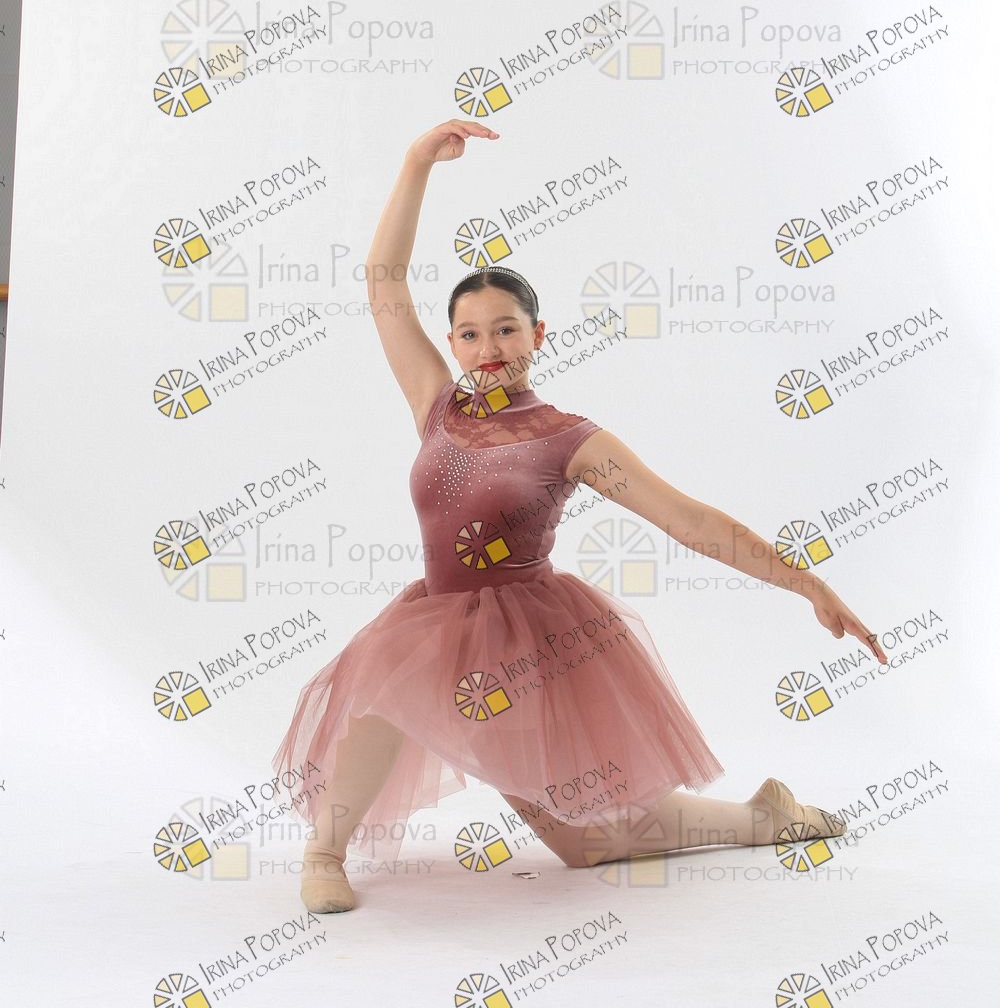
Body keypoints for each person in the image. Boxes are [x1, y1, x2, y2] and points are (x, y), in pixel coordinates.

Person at [271, 119, 887, 914]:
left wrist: (804, 582)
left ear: (537, 334)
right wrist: (417, 162)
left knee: (587, 844)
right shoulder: (436, 405)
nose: (488, 347)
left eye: (505, 329)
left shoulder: (571, 439)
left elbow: (687, 520)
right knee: (382, 676)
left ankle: (763, 817)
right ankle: (324, 853)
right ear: (452, 343)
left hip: (527, 645)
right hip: (435, 624)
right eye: (470, 333)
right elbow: (383, 287)